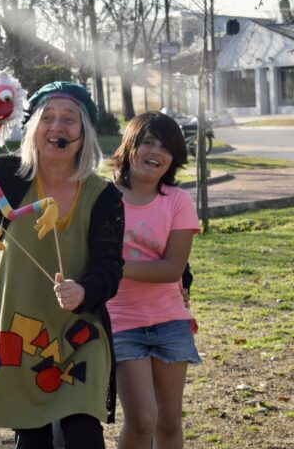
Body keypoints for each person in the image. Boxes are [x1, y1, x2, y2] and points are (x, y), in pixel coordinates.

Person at [0, 81, 124, 448]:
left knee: (83, 430)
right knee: (31, 433)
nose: (57, 127)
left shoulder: (104, 195)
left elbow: (110, 267)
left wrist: (84, 290)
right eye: (48, 118)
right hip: (18, 329)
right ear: (33, 127)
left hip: (80, 332)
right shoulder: (10, 174)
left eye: (69, 119)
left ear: (85, 132)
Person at [108, 111, 201, 449]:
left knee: (170, 422)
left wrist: (114, 267)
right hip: (120, 321)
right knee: (142, 419)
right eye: (148, 142)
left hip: (170, 321)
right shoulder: (104, 197)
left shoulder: (177, 201)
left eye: (166, 147)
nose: (156, 153)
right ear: (130, 146)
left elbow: (172, 269)